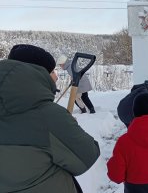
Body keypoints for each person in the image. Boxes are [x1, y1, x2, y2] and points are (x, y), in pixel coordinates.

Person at [0, 44, 100, 193]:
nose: (56, 76)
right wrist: (65, 124)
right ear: (37, 74)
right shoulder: (48, 116)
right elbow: (88, 155)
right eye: (52, 71)